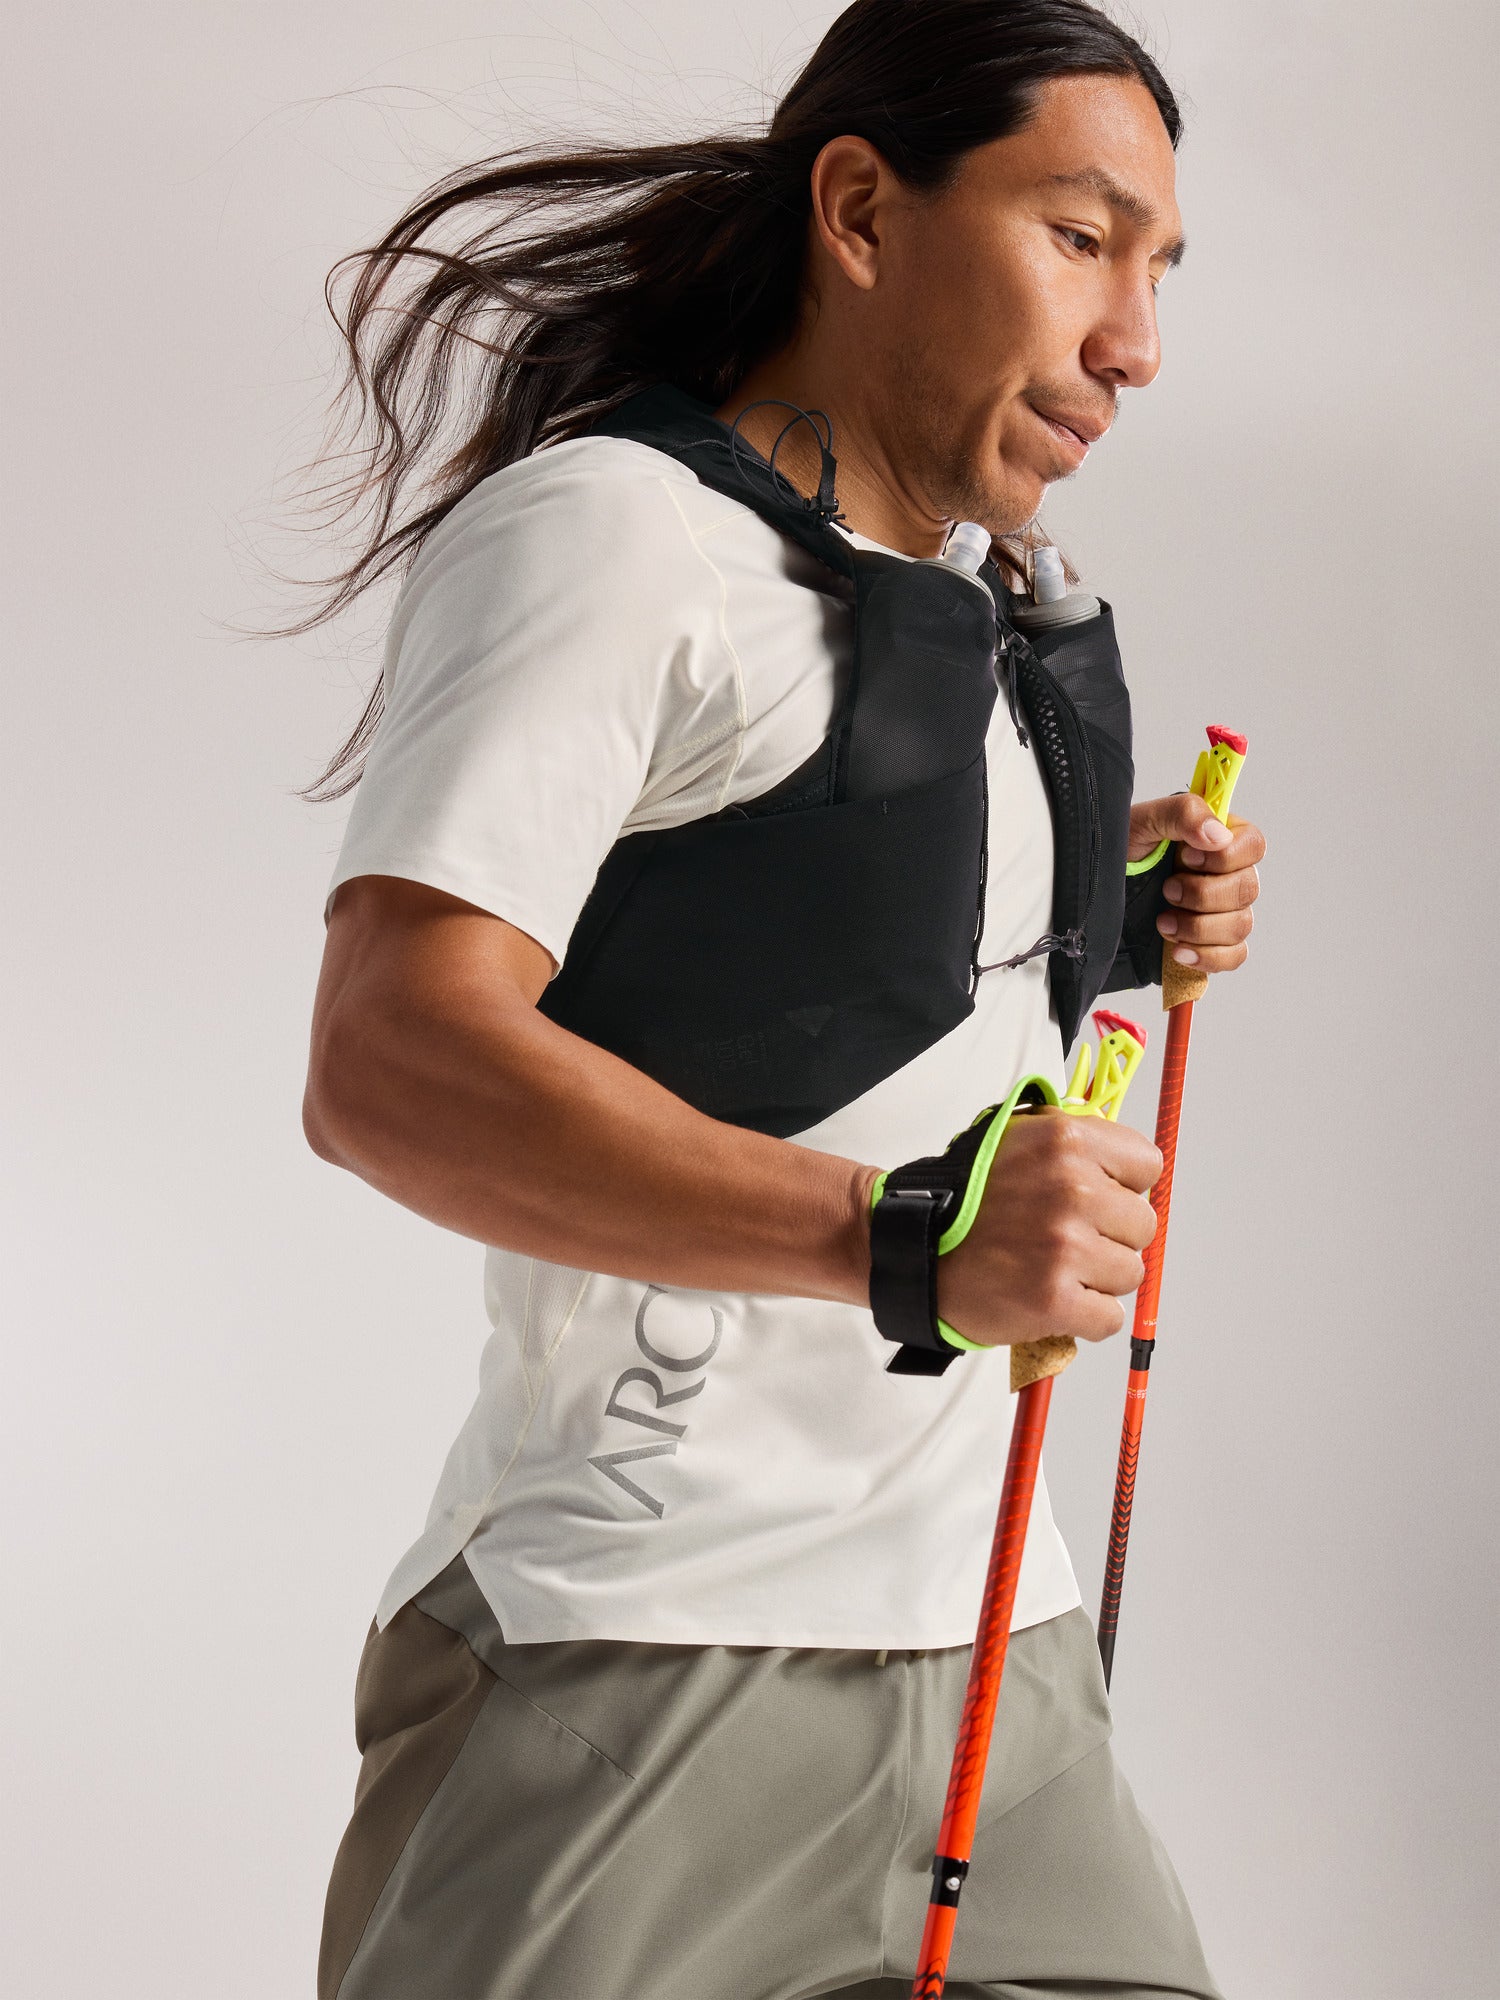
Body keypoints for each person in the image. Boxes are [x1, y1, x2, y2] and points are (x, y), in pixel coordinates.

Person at [300, 3, 1266, 1995]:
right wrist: (907, 1241)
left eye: (1160, 269)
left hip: (999, 1661)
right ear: (862, 211)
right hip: (635, 1661)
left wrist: (1108, 899)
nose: (1136, 342)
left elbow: (824, 943)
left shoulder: (978, 604)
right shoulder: (613, 535)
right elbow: (388, 1060)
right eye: (1081, 238)